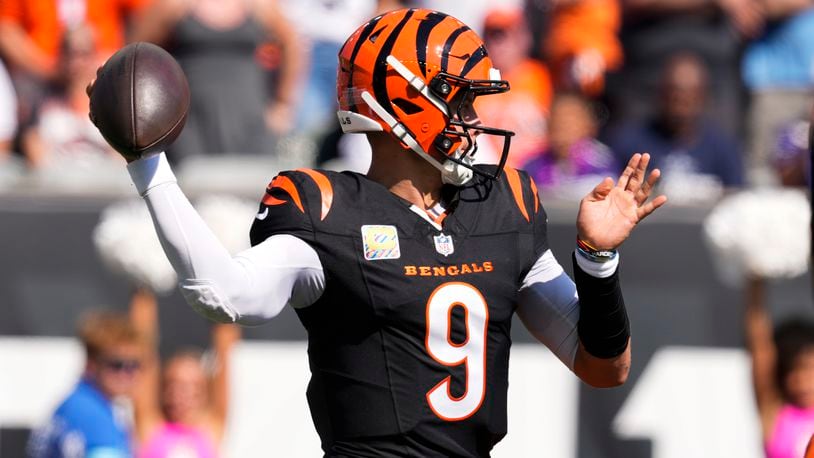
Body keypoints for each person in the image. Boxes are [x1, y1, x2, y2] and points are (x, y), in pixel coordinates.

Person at [88, 8, 666, 456]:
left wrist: (596, 261)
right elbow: (225, 294)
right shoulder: (328, 209)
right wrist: (149, 165)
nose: (470, 117)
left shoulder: (503, 206)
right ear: (400, 105)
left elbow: (603, 366)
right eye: (456, 98)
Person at [132, 0, 303, 160]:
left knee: (253, 182)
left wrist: (282, 103)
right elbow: (136, 53)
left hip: (250, 118)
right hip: (190, 121)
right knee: (194, 182)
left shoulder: (258, 5)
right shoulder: (174, 5)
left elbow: (291, 44)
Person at [605, 51, 743, 202]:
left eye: (691, 94)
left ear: (704, 96)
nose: (682, 102)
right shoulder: (629, 141)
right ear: (661, 93)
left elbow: (735, 199)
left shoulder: (723, 146)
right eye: (675, 93)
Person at [128, 288, 240, 458]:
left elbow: (225, 351)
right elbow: (143, 352)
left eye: (192, 388)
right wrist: (144, 290)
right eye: (174, 385)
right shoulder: (152, 428)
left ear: (204, 393)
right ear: (164, 390)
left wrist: (224, 293)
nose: (181, 395)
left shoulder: (211, 429)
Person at [27, 311, 144, 458]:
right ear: (91, 364)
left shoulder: (75, 404)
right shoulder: (93, 416)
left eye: (135, 364)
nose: (127, 373)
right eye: (117, 364)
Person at [745, 278, 814, 458]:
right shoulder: (776, 411)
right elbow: (759, 348)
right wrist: (755, 279)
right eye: (791, 371)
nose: (801, 381)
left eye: (808, 369)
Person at [523, 92, 617, 199]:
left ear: (588, 126)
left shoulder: (602, 163)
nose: (563, 133)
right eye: (557, 125)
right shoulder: (533, 166)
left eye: (570, 125)